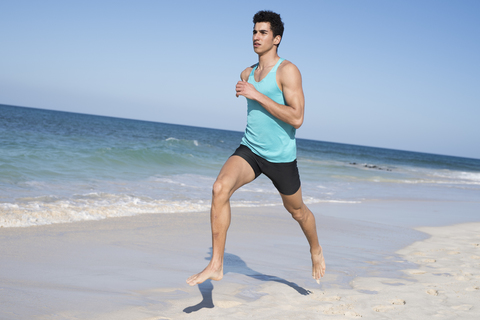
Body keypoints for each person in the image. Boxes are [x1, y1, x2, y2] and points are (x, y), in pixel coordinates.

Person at [187, 10, 325, 286]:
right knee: (219, 188)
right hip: (250, 149)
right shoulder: (247, 72)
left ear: (277, 39)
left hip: (281, 158)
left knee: (297, 211)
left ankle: (316, 248)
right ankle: (216, 264)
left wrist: (256, 94)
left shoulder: (288, 71)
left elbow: (297, 118)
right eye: (254, 31)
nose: (256, 37)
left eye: (263, 32)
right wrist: (249, 90)